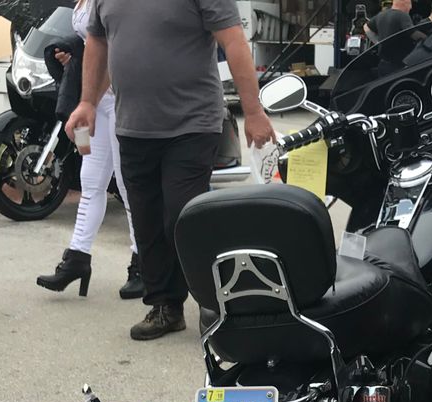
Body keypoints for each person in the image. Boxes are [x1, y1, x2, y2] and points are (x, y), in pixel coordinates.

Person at [66, 0, 276, 341]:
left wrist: (253, 111)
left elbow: (234, 40)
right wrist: (87, 102)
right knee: (147, 222)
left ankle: (216, 304)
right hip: (133, 127)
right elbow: (98, 43)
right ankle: (166, 306)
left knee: (183, 215)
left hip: (192, 125)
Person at [37, 0, 141, 301]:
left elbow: (114, 45)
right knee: (92, 181)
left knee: (126, 183)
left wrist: (89, 100)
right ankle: (77, 258)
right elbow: (92, 43)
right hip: (99, 98)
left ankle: (143, 263)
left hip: (120, 95)